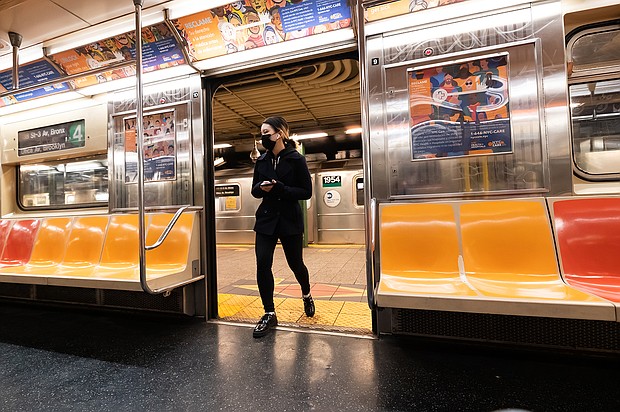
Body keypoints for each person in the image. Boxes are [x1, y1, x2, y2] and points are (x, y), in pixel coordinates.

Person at [251, 116, 315, 338]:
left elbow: (306, 192)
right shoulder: (261, 161)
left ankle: (306, 294)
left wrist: (280, 189)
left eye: (266, 133)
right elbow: (254, 190)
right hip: (266, 219)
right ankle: (269, 312)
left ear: (279, 134)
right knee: (262, 263)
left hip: (289, 219)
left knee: (296, 264)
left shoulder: (296, 159)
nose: (263, 137)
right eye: (262, 133)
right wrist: (262, 187)